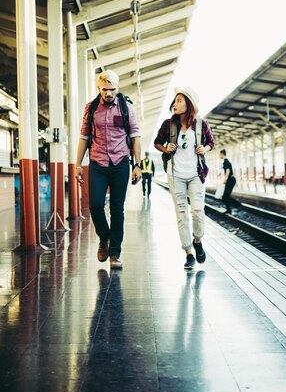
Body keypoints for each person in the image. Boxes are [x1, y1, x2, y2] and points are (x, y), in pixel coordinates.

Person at [76, 70, 142, 269]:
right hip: (97, 162)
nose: (109, 93)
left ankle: (114, 253)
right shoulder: (91, 108)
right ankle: (104, 237)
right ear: (99, 88)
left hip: (120, 162)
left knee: (117, 209)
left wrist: (137, 165)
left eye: (112, 89)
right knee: (95, 204)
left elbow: (135, 136)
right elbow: (84, 137)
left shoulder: (126, 108)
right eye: (105, 89)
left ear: (117, 88)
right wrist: (78, 164)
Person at [154, 87, 214, 270]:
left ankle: (197, 240)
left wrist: (205, 149)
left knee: (197, 210)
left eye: (180, 100)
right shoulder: (168, 124)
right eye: (175, 100)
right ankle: (188, 253)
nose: (175, 103)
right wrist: (166, 149)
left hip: (196, 174)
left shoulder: (202, 124)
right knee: (181, 215)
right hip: (175, 175)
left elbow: (211, 143)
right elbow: (157, 142)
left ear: (189, 105)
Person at [219, 149, 236, 214]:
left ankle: (238, 205)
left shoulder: (226, 161)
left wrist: (225, 179)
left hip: (231, 180)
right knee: (225, 196)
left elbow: (228, 170)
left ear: (222, 154)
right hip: (230, 180)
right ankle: (229, 210)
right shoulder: (225, 162)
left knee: (225, 196)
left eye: (220, 154)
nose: (219, 156)